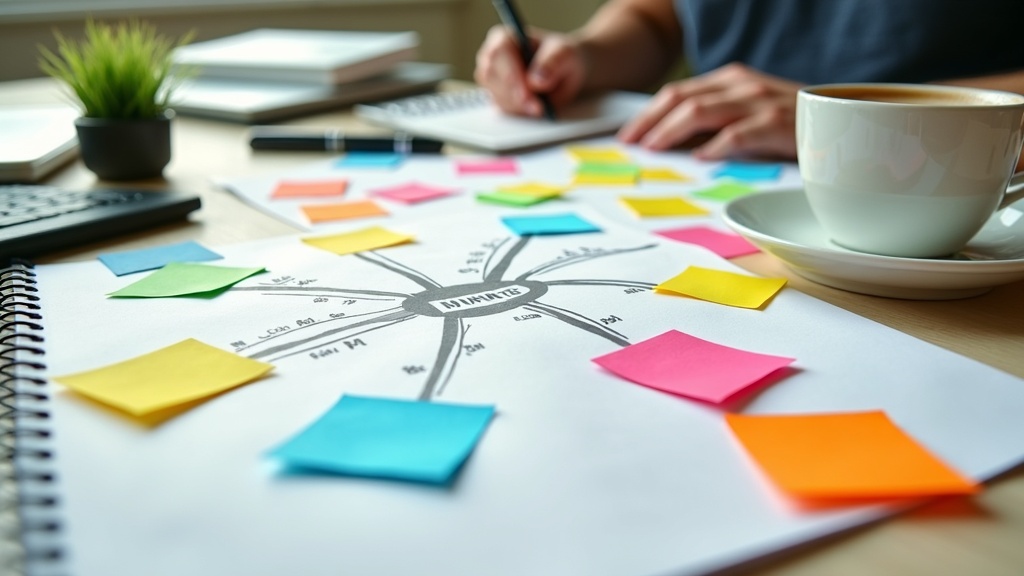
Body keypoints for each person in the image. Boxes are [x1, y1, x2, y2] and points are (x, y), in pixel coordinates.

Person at [474, 0, 1024, 162]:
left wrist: (850, 115)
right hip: (712, 175)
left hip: (957, 207)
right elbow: (662, 15)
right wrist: (589, 54)